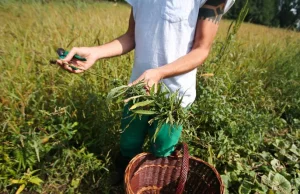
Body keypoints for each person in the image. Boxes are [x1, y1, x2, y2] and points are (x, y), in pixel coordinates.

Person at [56, 0, 235, 186]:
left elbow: (201, 50)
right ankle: (125, 175)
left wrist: (160, 73)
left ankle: (153, 183)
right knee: (129, 141)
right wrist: (95, 53)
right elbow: (131, 36)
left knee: (162, 149)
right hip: (138, 90)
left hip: (173, 100)